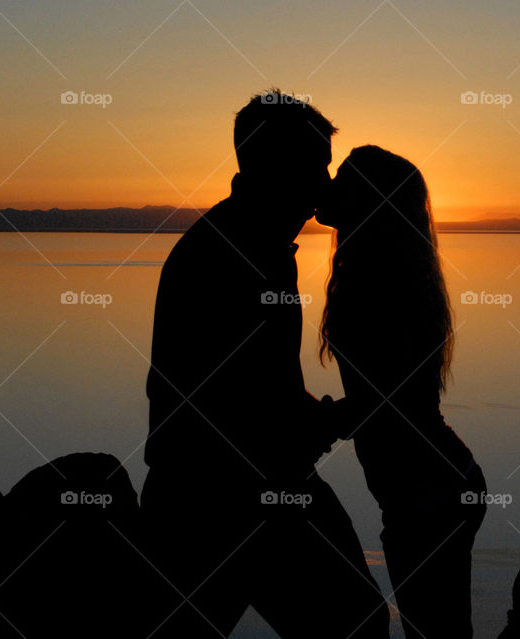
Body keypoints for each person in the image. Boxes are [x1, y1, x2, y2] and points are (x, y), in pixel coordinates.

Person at [141, 90, 388, 638]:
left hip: (231, 492)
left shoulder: (259, 245)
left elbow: (263, 385)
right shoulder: (231, 255)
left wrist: (325, 417)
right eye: (315, 166)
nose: (324, 183)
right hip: (223, 502)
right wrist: (329, 422)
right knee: (358, 624)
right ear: (276, 167)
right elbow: (229, 404)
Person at [317, 145, 487, 639]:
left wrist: (320, 421)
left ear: (368, 200)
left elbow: (388, 403)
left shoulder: (377, 283)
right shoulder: (375, 273)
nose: (328, 186)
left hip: (427, 496)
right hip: (429, 489)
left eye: (341, 180)